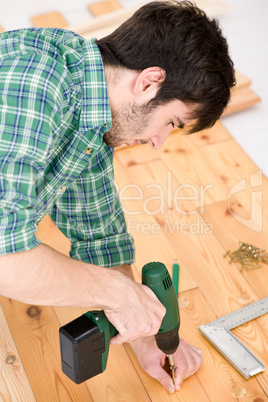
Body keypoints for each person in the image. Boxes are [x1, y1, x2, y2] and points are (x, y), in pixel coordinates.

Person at [0, 0, 235, 394]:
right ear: (148, 82)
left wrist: (144, 332)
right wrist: (119, 294)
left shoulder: (89, 115)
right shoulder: (36, 82)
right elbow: (5, 256)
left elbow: (101, 237)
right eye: (171, 123)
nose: (159, 142)